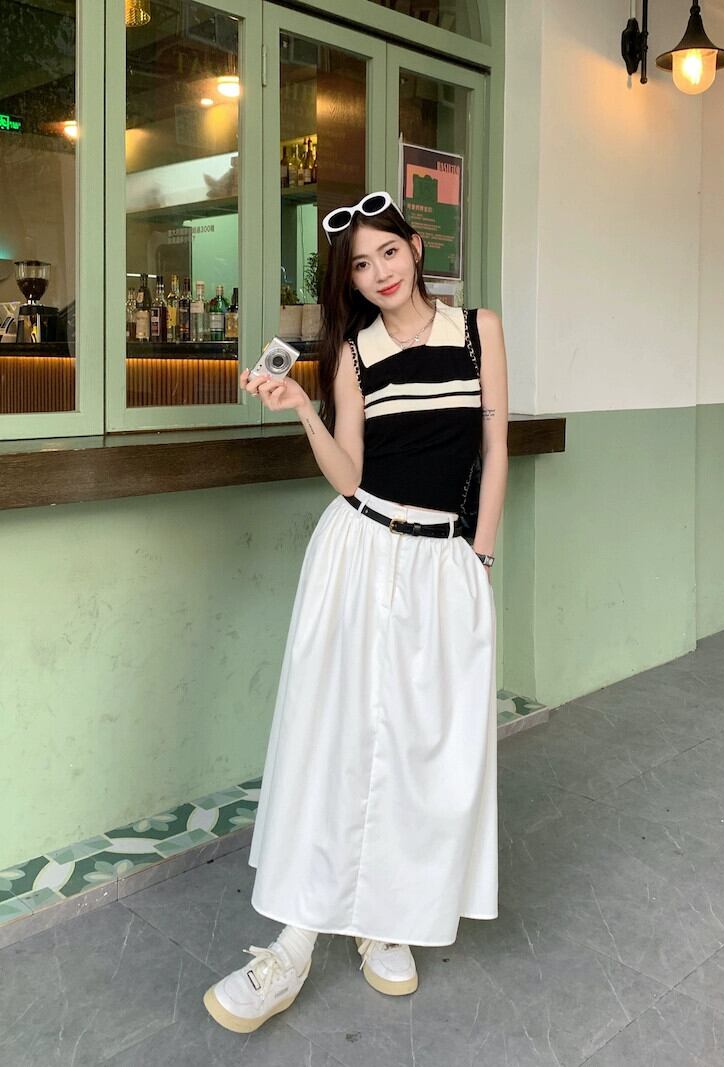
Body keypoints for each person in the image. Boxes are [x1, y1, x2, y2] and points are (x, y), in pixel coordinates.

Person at [203, 191, 509, 1034]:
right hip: (359, 549)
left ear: (416, 248)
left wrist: (479, 557)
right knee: (336, 738)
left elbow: (493, 447)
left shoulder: (478, 330)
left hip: (444, 560)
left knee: (420, 742)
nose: (378, 274)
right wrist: (304, 407)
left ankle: (387, 919)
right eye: (361, 266)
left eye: (388, 252)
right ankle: (294, 943)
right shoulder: (353, 353)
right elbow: (349, 475)